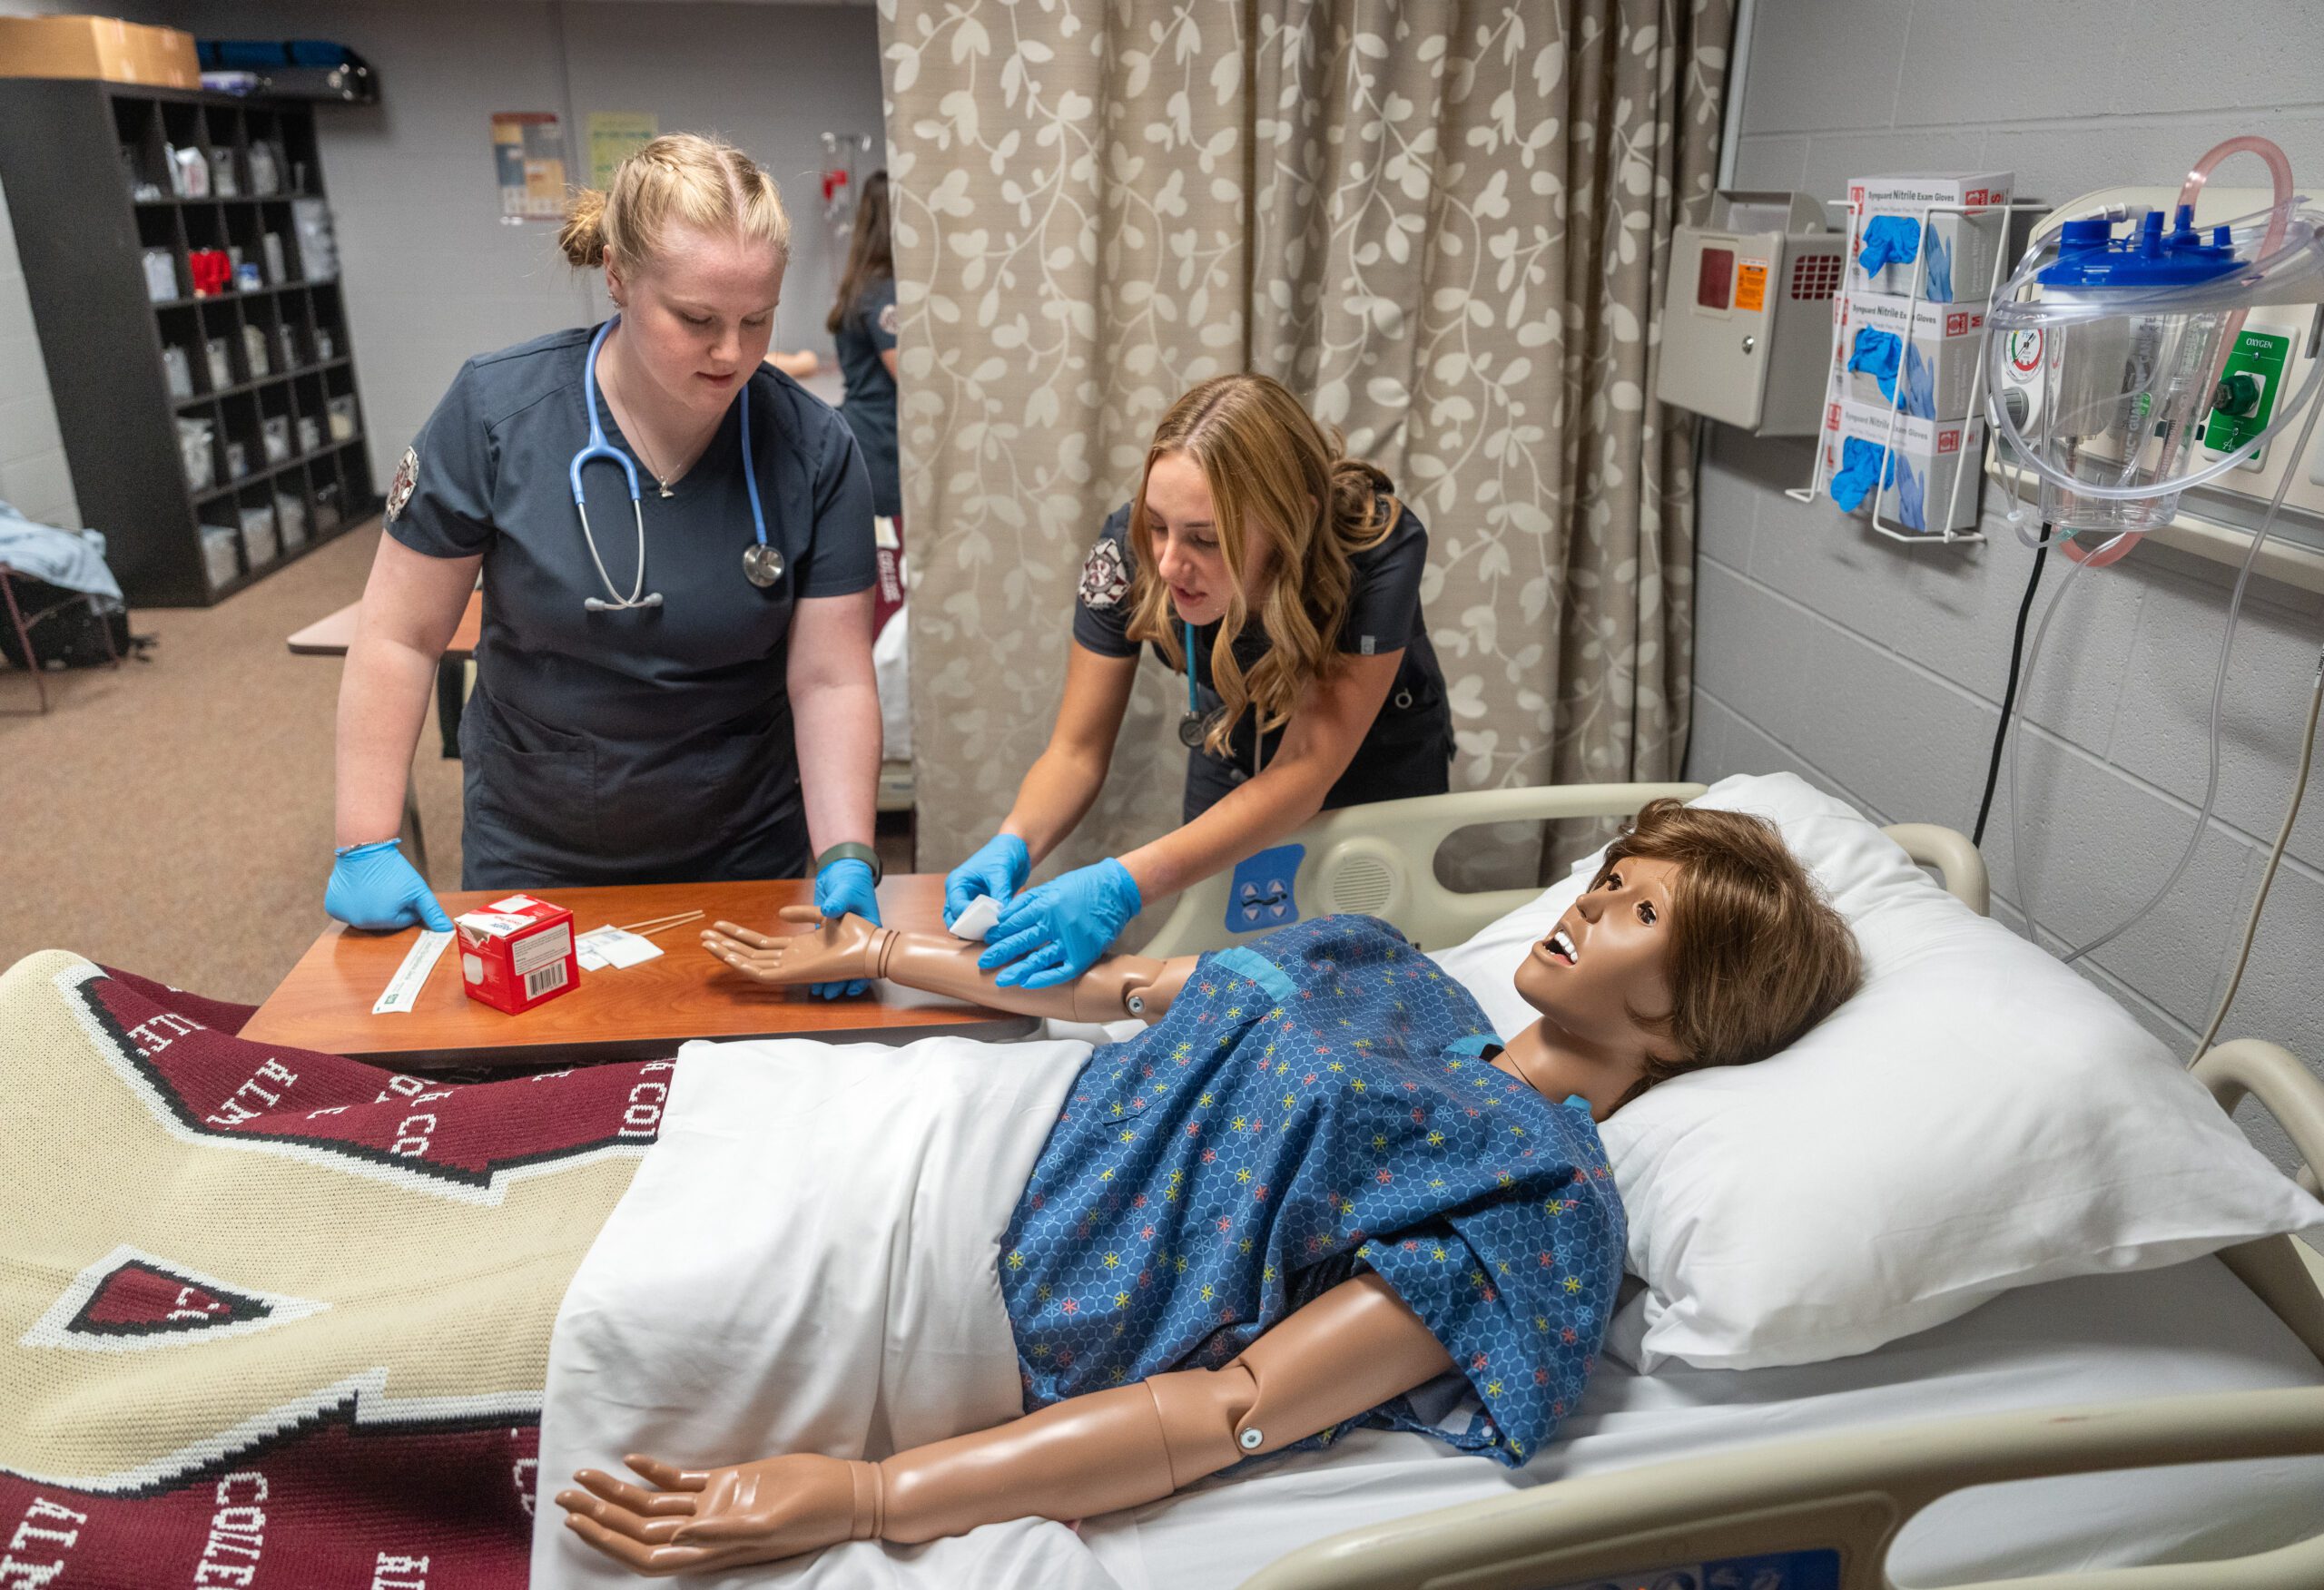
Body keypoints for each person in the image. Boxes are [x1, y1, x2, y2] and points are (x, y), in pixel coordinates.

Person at [557, 800, 1862, 1574]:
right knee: (531, 1155)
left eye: (1640, 914)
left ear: (1690, 1020)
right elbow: (1121, 993)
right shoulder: (1386, 963)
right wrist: (882, 950)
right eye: (1614, 877)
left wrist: (874, 1496)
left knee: (572, 1318)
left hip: (973, 1268)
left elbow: (1239, 1406)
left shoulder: (1534, 1196)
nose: (1592, 900)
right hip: (943, 1105)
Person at [326, 133, 885, 996]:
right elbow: (400, 634)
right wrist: (366, 839)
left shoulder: (813, 449)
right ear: (619, 277)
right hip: (537, 845)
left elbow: (831, 680)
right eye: (696, 319)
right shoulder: (497, 415)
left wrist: (846, 853)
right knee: (544, 1088)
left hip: (743, 850)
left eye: (758, 319)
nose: (732, 354)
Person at [946, 374, 1454, 994]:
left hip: (1374, 763)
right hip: (1233, 743)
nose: (1166, 564)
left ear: (1294, 521)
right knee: (1228, 969)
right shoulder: (1124, 554)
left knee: (1363, 981)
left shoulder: (1377, 548)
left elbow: (1306, 767)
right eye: (1158, 525)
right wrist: (1015, 839)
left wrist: (1123, 885)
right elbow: (1075, 752)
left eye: (1205, 539)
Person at [826, 169, 900, 525]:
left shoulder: (862, 284)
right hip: (884, 449)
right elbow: (910, 377)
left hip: (867, 441)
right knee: (893, 571)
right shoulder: (885, 292)